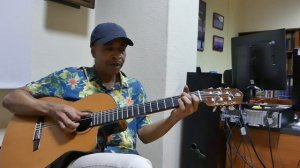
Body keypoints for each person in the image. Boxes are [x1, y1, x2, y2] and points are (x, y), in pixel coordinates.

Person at [2, 22, 200, 168]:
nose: (117, 55)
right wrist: (53, 109)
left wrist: (175, 117)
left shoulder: (134, 87)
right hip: (75, 158)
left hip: (124, 157)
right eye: (109, 49)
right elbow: (11, 99)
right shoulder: (70, 77)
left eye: (121, 49)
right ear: (93, 51)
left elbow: (145, 135)